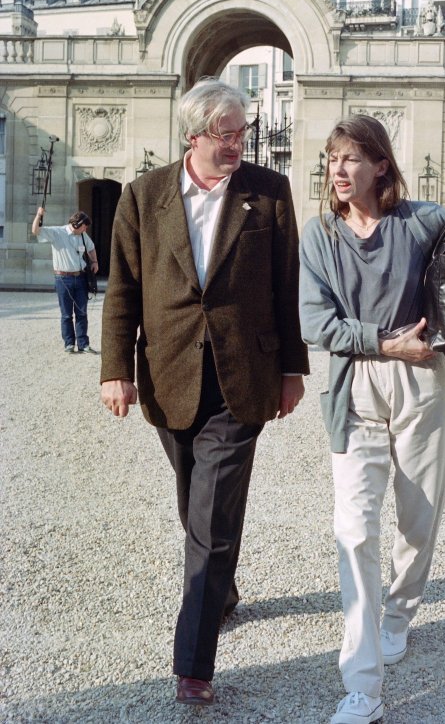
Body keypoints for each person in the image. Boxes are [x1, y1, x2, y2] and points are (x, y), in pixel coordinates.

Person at [299, 114, 445, 724]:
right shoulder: (318, 235)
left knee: (418, 520)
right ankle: (363, 686)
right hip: (355, 387)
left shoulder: (422, 221)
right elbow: (315, 324)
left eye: (351, 158)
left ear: (381, 165)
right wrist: (382, 342)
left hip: (422, 379)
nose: (339, 170)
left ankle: (398, 613)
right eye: (332, 158)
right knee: (353, 530)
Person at [100, 78, 309, 708]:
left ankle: (193, 664)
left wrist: (293, 370)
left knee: (212, 515)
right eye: (226, 134)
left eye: (242, 132)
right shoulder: (144, 195)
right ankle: (222, 591)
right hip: (168, 376)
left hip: (245, 375)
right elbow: (122, 291)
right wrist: (116, 369)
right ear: (194, 134)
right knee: (196, 499)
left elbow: (286, 284)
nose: (237, 144)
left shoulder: (269, 194)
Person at [32, 207, 99, 353]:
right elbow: (35, 231)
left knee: (82, 312)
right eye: (84, 226)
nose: (85, 229)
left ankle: (83, 344)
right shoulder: (57, 232)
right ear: (77, 224)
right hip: (63, 278)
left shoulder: (83, 235)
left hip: (80, 277)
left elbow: (91, 247)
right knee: (67, 314)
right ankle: (69, 344)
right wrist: (39, 215)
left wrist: (94, 262)